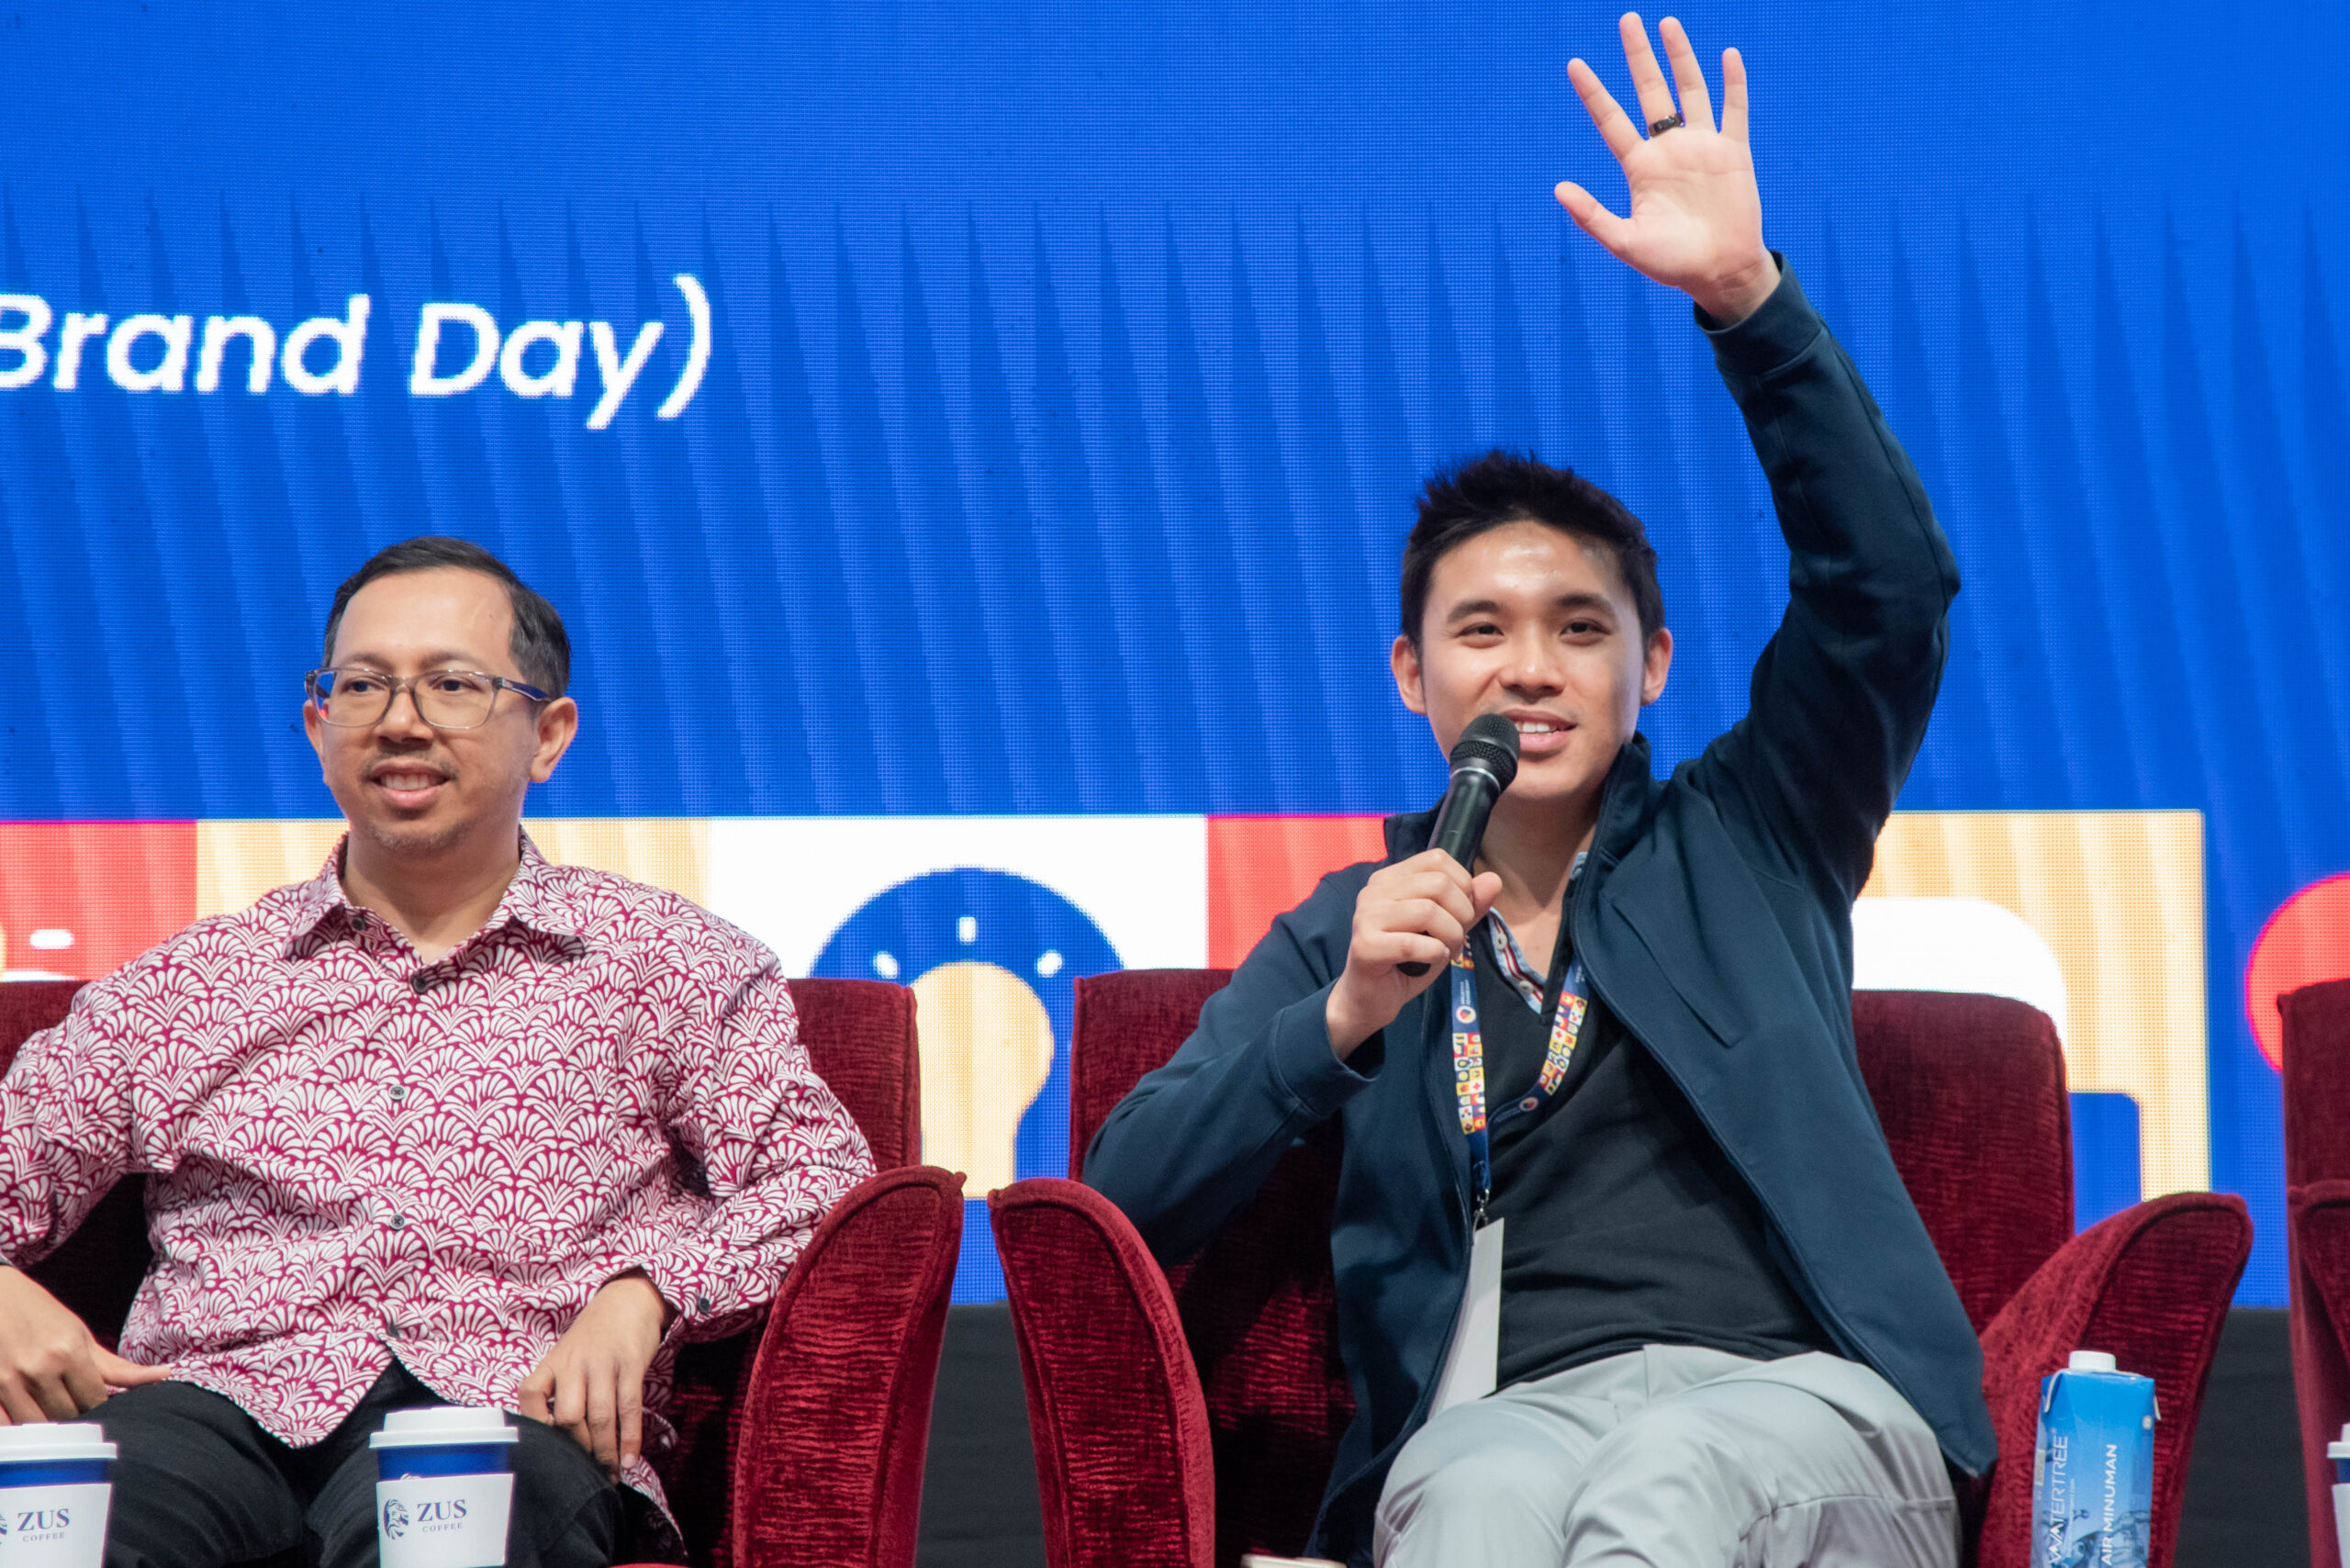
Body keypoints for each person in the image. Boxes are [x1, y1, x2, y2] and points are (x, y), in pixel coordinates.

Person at [1084, 15, 1988, 1567]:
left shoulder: (1759, 831)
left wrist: (1748, 302)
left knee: (1668, 1479)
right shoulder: (1359, 926)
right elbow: (1122, 1202)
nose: (1532, 670)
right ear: (1410, 673)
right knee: (1473, 1503)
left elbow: (1890, 592)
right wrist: (1338, 1022)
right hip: (1508, 1415)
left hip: (1802, 1403)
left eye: (1580, 629)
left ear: (1655, 665)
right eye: (1482, 632)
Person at [0, 537, 875, 1568]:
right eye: (363, 686)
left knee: (449, 1533)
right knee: (58, 1529)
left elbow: (820, 1179)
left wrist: (647, 1293)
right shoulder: (188, 987)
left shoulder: (667, 963)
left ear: (548, 734)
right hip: (210, 1412)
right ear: (320, 727)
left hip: (506, 1412)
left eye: (452, 685)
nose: (401, 720)